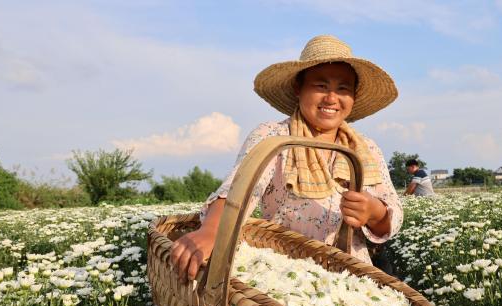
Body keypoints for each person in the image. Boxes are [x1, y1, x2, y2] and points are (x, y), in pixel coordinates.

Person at [171, 35, 404, 281]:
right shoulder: (274, 137)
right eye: (321, 86)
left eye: (343, 88)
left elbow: (392, 214)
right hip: (285, 275)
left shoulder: (365, 149)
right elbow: (238, 190)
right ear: (298, 88)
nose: (331, 98)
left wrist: (375, 213)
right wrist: (210, 231)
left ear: (353, 96)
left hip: (351, 277)